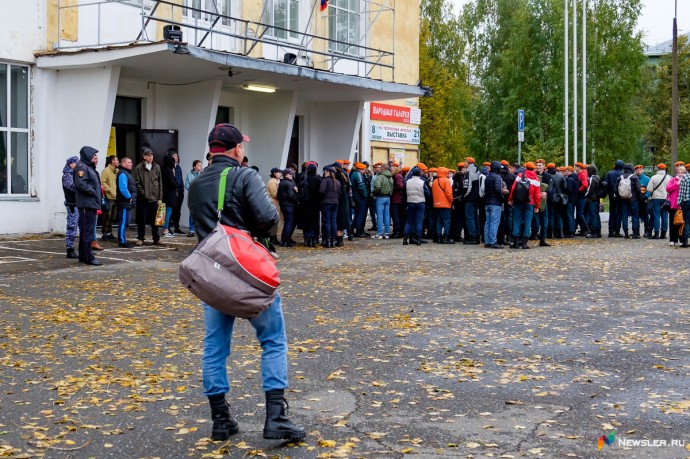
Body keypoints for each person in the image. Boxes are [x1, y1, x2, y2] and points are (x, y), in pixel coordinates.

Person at [187, 123, 305, 442]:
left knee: (214, 346)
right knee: (273, 340)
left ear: (212, 149)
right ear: (237, 148)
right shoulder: (244, 175)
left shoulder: (196, 184)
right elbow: (268, 219)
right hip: (248, 273)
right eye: (242, 146)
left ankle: (221, 420)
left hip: (212, 276)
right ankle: (276, 417)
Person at [73, 146, 103, 266]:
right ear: (88, 156)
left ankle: (83, 256)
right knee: (87, 232)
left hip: (90, 203)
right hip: (87, 204)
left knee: (86, 231)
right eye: (94, 156)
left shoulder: (88, 167)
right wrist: (94, 191)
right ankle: (89, 257)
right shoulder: (82, 167)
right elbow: (81, 184)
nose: (96, 158)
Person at [133, 149, 164, 246]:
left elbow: (160, 183)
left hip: (155, 198)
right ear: (144, 157)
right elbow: (137, 182)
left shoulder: (157, 167)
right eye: (149, 156)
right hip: (143, 198)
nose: (151, 157)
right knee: (142, 219)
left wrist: (160, 197)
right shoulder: (139, 167)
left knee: (155, 219)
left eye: (152, 156)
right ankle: (141, 238)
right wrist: (143, 193)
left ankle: (156, 238)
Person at [509, 162, 540, 249]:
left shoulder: (520, 175)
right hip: (529, 203)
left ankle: (515, 242)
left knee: (516, 220)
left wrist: (510, 199)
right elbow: (537, 195)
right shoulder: (536, 179)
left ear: (526, 168)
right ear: (534, 169)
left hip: (518, 201)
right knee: (527, 222)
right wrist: (537, 206)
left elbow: (513, 188)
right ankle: (524, 243)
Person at [483, 161, 505, 249]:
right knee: (494, 223)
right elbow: (497, 189)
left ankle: (487, 241)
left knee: (487, 222)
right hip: (495, 203)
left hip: (487, 202)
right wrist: (502, 197)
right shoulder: (497, 177)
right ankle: (493, 241)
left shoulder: (487, 177)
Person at [402, 167, 427, 246]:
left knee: (409, 221)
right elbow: (428, 193)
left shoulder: (407, 182)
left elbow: (404, 193)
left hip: (410, 202)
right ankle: (419, 239)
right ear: (419, 174)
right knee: (419, 221)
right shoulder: (422, 182)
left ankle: (405, 239)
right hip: (420, 203)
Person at [116, 157, 137, 248]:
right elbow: (123, 188)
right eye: (129, 162)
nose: (131, 164)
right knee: (124, 221)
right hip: (124, 202)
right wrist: (129, 197)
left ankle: (123, 239)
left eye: (131, 162)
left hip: (127, 202)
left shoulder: (127, 173)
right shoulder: (123, 174)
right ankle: (122, 241)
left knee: (126, 222)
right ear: (123, 164)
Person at [62, 156, 80, 259]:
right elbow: (72, 187)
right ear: (71, 164)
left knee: (79, 226)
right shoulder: (67, 175)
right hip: (72, 204)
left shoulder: (74, 174)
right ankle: (70, 249)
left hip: (77, 203)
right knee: (72, 227)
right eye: (75, 163)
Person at [617, 164, 641, 239]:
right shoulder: (634, 177)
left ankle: (626, 233)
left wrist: (619, 197)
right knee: (635, 216)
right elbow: (638, 189)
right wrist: (638, 198)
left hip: (623, 199)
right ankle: (635, 233)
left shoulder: (620, 178)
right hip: (633, 199)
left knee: (624, 216)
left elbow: (616, 189)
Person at [646, 163, 669, 240]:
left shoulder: (653, 178)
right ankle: (664, 233)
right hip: (666, 199)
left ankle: (656, 233)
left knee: (656, 216)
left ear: (658, 169)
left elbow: (649, 189)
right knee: (665, 216)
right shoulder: (669, 178)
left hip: (656, 199)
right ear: (665, 169)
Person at [319, 165, 341, 248]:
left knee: (327, 222)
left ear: (328, 172)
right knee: (333, 222)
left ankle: (327, 240)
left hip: (326, 203)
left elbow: (321, 191)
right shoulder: (337, 182)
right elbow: (340, 193)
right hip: (335, 203)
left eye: (325, 172)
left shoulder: (325, 181)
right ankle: (333, 240)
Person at [432, 167, 454, 244]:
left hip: (436, 204)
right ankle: (446, 238)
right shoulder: (446, 181)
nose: (448, 174)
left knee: (438, 221)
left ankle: (438, 238)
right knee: (446, 221)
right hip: (445, 204)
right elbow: (449, 193)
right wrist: (451, 201)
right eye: (447, 173)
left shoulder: (435, 181)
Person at [277, 169, 299, 247]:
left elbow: (278, 194)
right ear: (286, 174)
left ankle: (285, 239)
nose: (292, 175)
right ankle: (286, 240)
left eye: (292, 174)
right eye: (290, 174)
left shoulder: (282, 182)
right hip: (290, 205)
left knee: (287, 222)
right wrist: (296, 194)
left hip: (283, 204)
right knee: (289, 223)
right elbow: (291, 195)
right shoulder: (289, 183)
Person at [666, 161, 686, 246]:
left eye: (682, 172)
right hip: (673, 204)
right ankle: (673, 239)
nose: (680, 174)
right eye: (679, 172)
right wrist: (676, 184)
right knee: (672, 222)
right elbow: (668, 189)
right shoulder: (673, 180)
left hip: (682, 205)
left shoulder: (686, 180)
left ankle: (682, 240)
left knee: (682, 223)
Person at [100, 155, 119, 241]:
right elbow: (103, 182)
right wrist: (110, 190)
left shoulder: (117, 171)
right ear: (112, 161)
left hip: (116, 197)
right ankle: (104, 232)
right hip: (109, 196)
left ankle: (109, 232)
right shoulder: (106, 171)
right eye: (116, 160)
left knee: (113, 216)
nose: (118, 161)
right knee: (107, 215)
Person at [372, 163, 393, 239]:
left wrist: (374, 193)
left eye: (380, 167)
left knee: (380, 216)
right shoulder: (390, 177)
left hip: (380, 197)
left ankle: (379, 233)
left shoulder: (380, 177)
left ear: (383, 168)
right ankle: (387, 233)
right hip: (388, 197)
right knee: (387, 216)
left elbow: (377, 186)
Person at [161, 154, 178, 237]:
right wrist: (176, 184)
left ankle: (166, 229)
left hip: (164, 193)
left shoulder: (163, 169)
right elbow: (171, 182)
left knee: (166, 212)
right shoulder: (168, 170)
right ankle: (166, 230)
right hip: (170, 194)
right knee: (168, 212)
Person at [169, 150, 186, 234]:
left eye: (177, 156)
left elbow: (180, 179)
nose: (176, 157)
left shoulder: (178, 167)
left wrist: (182, 189)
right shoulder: (169, 167)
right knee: (171, 210)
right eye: (174, 156)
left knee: (178, 211)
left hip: (180, 191)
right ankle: (168, 227)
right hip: (173, 192)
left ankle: (176, 227)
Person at [184, 160, 202, 237]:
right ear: (194, 166)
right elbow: (187, 184)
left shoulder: (203, 174)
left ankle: (200, 230)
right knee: (192, 214)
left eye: (201, 165)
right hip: (193, 197)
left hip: (201, 197)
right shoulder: (189, 175)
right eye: (198, 165)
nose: (200, 167)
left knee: (201, 214)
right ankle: (192, 230)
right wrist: (193, 189)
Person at [266, 168, 284, 245]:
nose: (280, 174)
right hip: (274, 202)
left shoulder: (276, 181)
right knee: (275, 220)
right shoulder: (272, 182)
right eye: (279, 172)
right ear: (274, 173)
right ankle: (273, 237)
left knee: (278, 220)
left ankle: (275, 237)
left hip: (277, 202)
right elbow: (274, 194)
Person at [584, 165, 602, 238]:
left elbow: (590, 189)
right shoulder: (597, 177)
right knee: (596, 215)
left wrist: (585, 195)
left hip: (592, 199)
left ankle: (594, 231)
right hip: (596, 198)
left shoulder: (592, 178)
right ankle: (598, 231)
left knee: (593, 215)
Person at [635, 165, 651, 237]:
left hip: (644, 200)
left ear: (642, 170)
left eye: (640, 170)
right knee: (636, 215)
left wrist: (646, 196)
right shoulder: (634, 178)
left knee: (646, 215)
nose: (639, 171)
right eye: (637, 170)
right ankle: (636, 231)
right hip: (636, 199)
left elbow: (650, 189)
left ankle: (647, 230)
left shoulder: (647, 179)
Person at [677, 163, 690, 248]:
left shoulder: (685, 178)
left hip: (687, 202)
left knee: (686, 221)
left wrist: (679, 202)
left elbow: (682, 192)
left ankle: (685, 241)